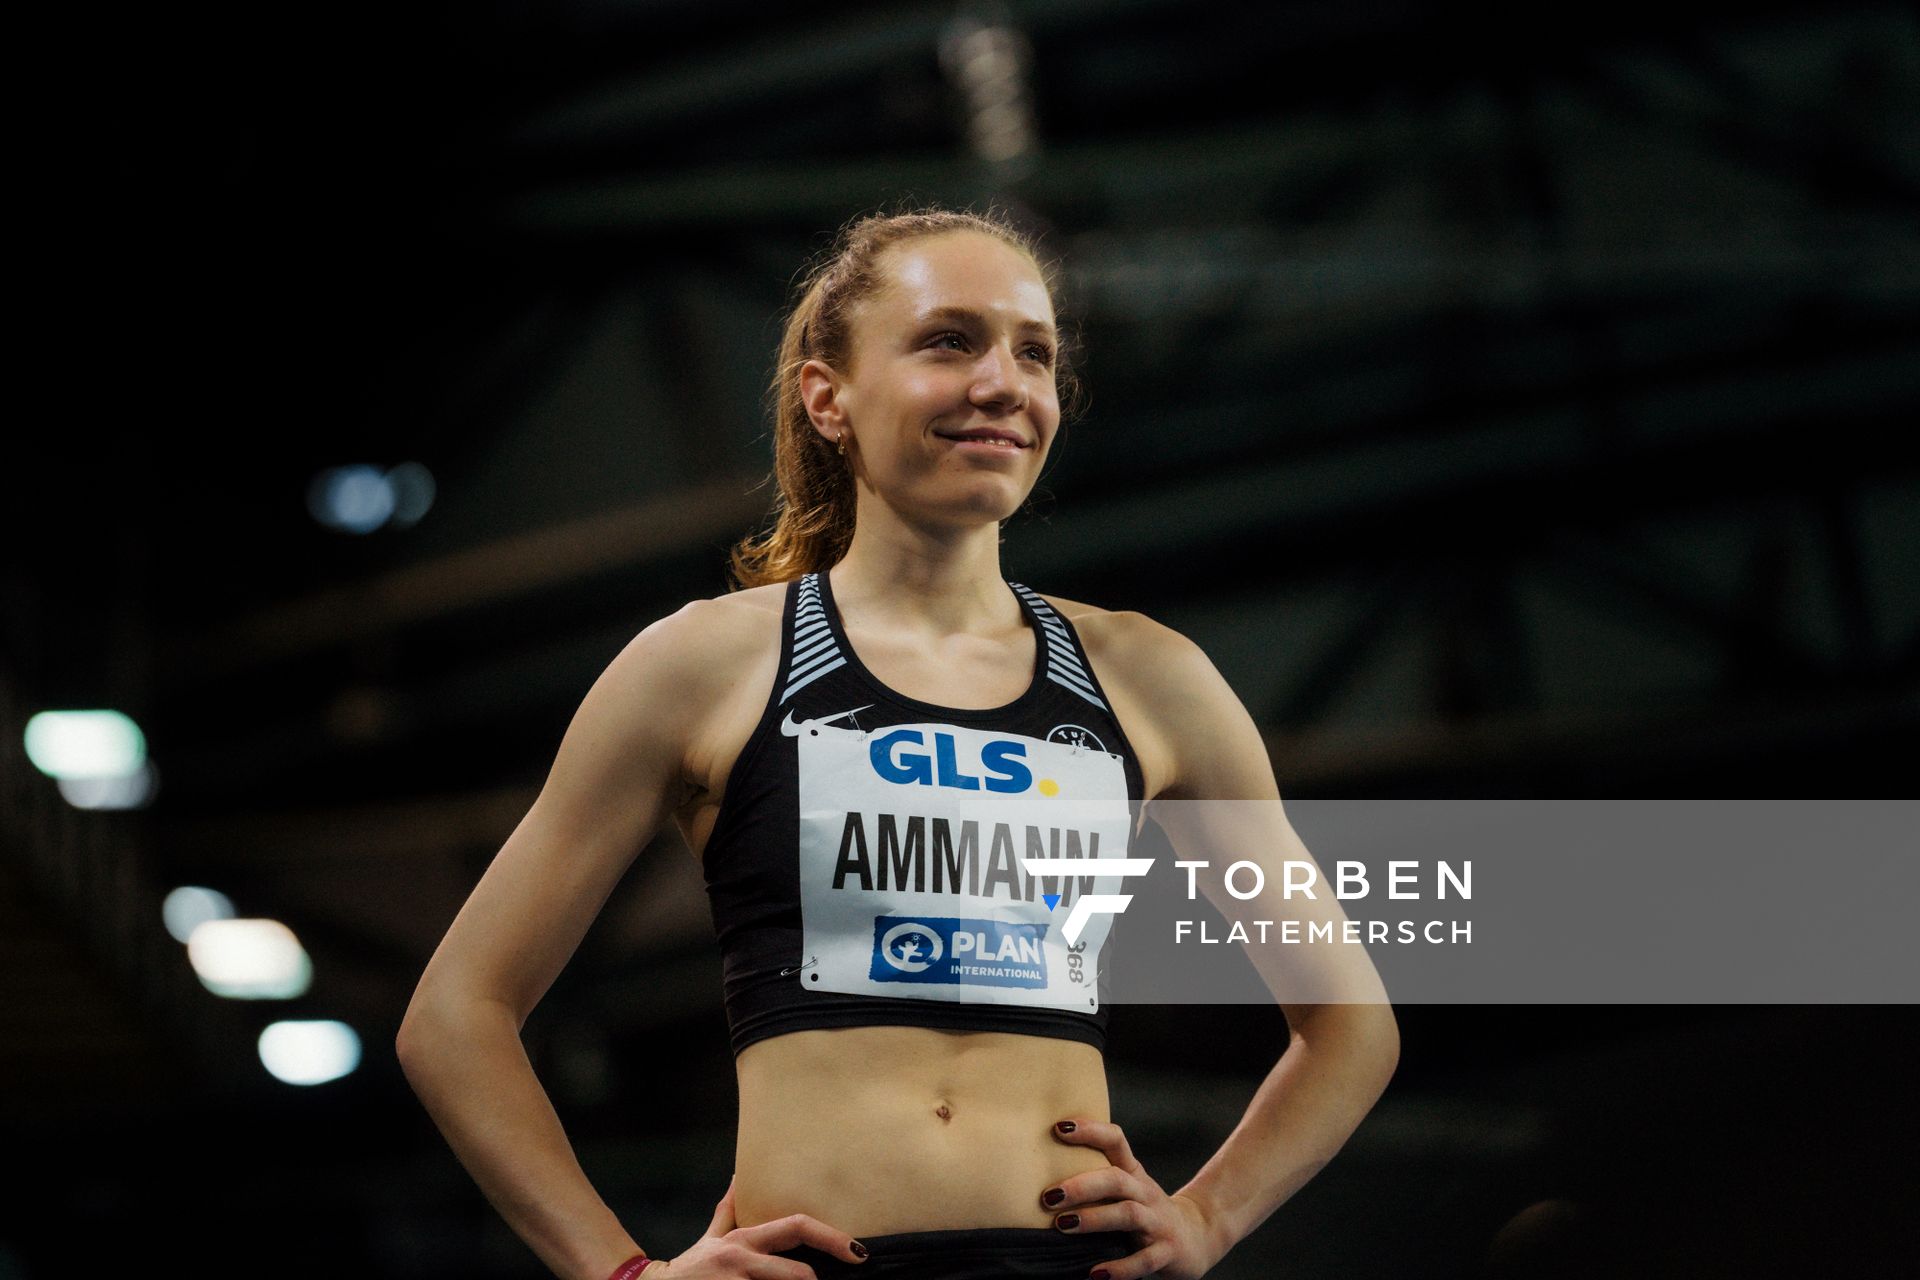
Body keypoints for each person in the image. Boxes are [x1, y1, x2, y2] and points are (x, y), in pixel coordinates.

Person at [397, 206, 1399, 1280]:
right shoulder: (703, 664)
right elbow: (456, 1015)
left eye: (1035, 351)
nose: (1003, 380)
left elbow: (1351, 1020)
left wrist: (1210, 1214)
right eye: (948, 340)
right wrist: (623, 1271)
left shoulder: (1151, 677)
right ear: (828, 397)